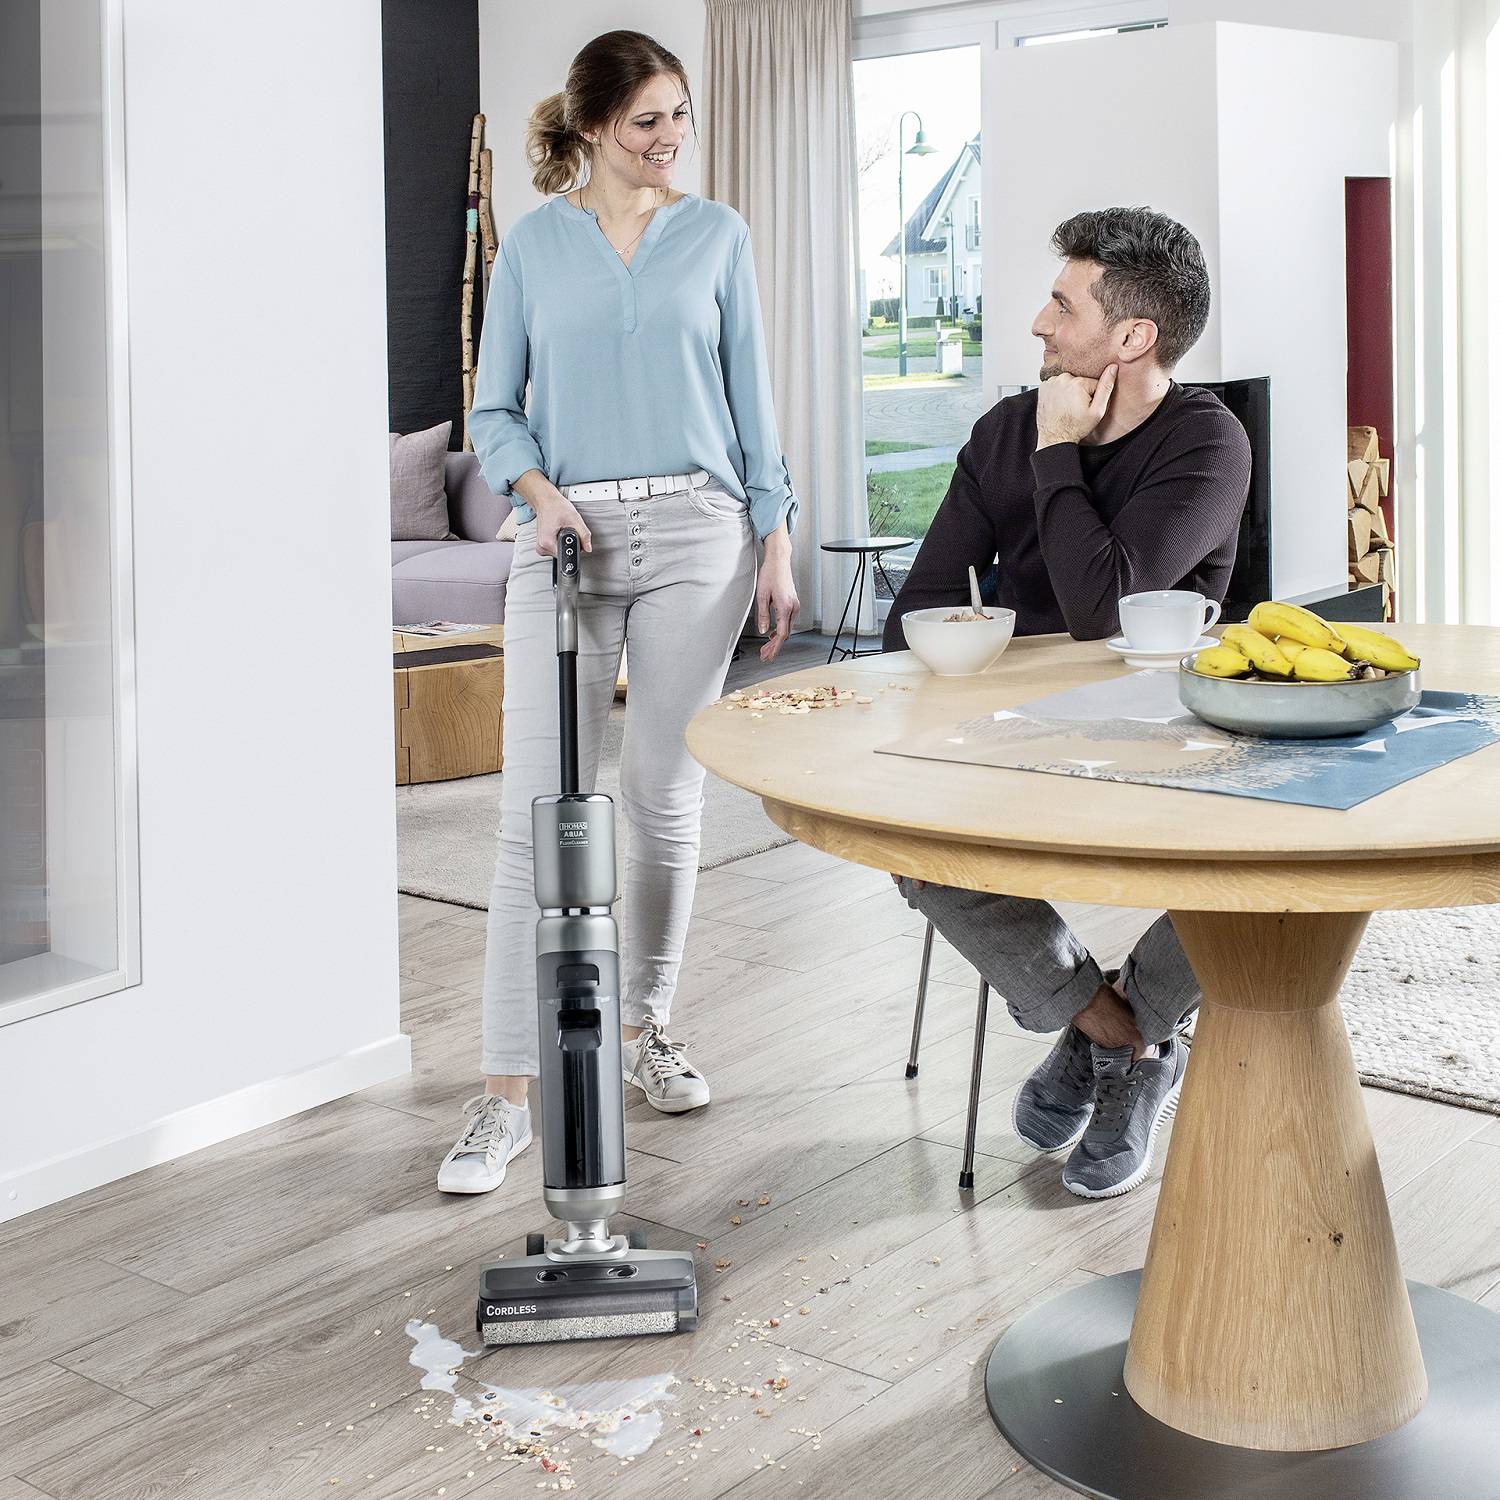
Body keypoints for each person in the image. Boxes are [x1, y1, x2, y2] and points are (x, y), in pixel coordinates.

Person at [437, 30, 799, 1194]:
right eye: (648, 120)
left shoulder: (718, 235)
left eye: (680, 116)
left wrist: (776, 539)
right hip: (565, 540)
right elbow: (495, 410)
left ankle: (641, 1029)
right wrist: (537, 495)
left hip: (703, 536)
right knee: (535, 817)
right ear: (592, 126)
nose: (672, 139)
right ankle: (506, 1097)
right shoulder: (534, 250)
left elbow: (754, 402)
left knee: (662, 796)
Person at [884, 206, 1252, 1200]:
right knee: (905, 837)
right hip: (1017, 734)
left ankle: (1123, 1029)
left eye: (1060, 302)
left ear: (1132, 339)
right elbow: (916, 608)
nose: (1038, 325)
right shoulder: (1003, 430)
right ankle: (1122, 1036)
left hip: (1167, 740)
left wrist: (1058, 455)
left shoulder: (1206, 445)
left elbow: (1103, 606)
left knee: (1269, 874)